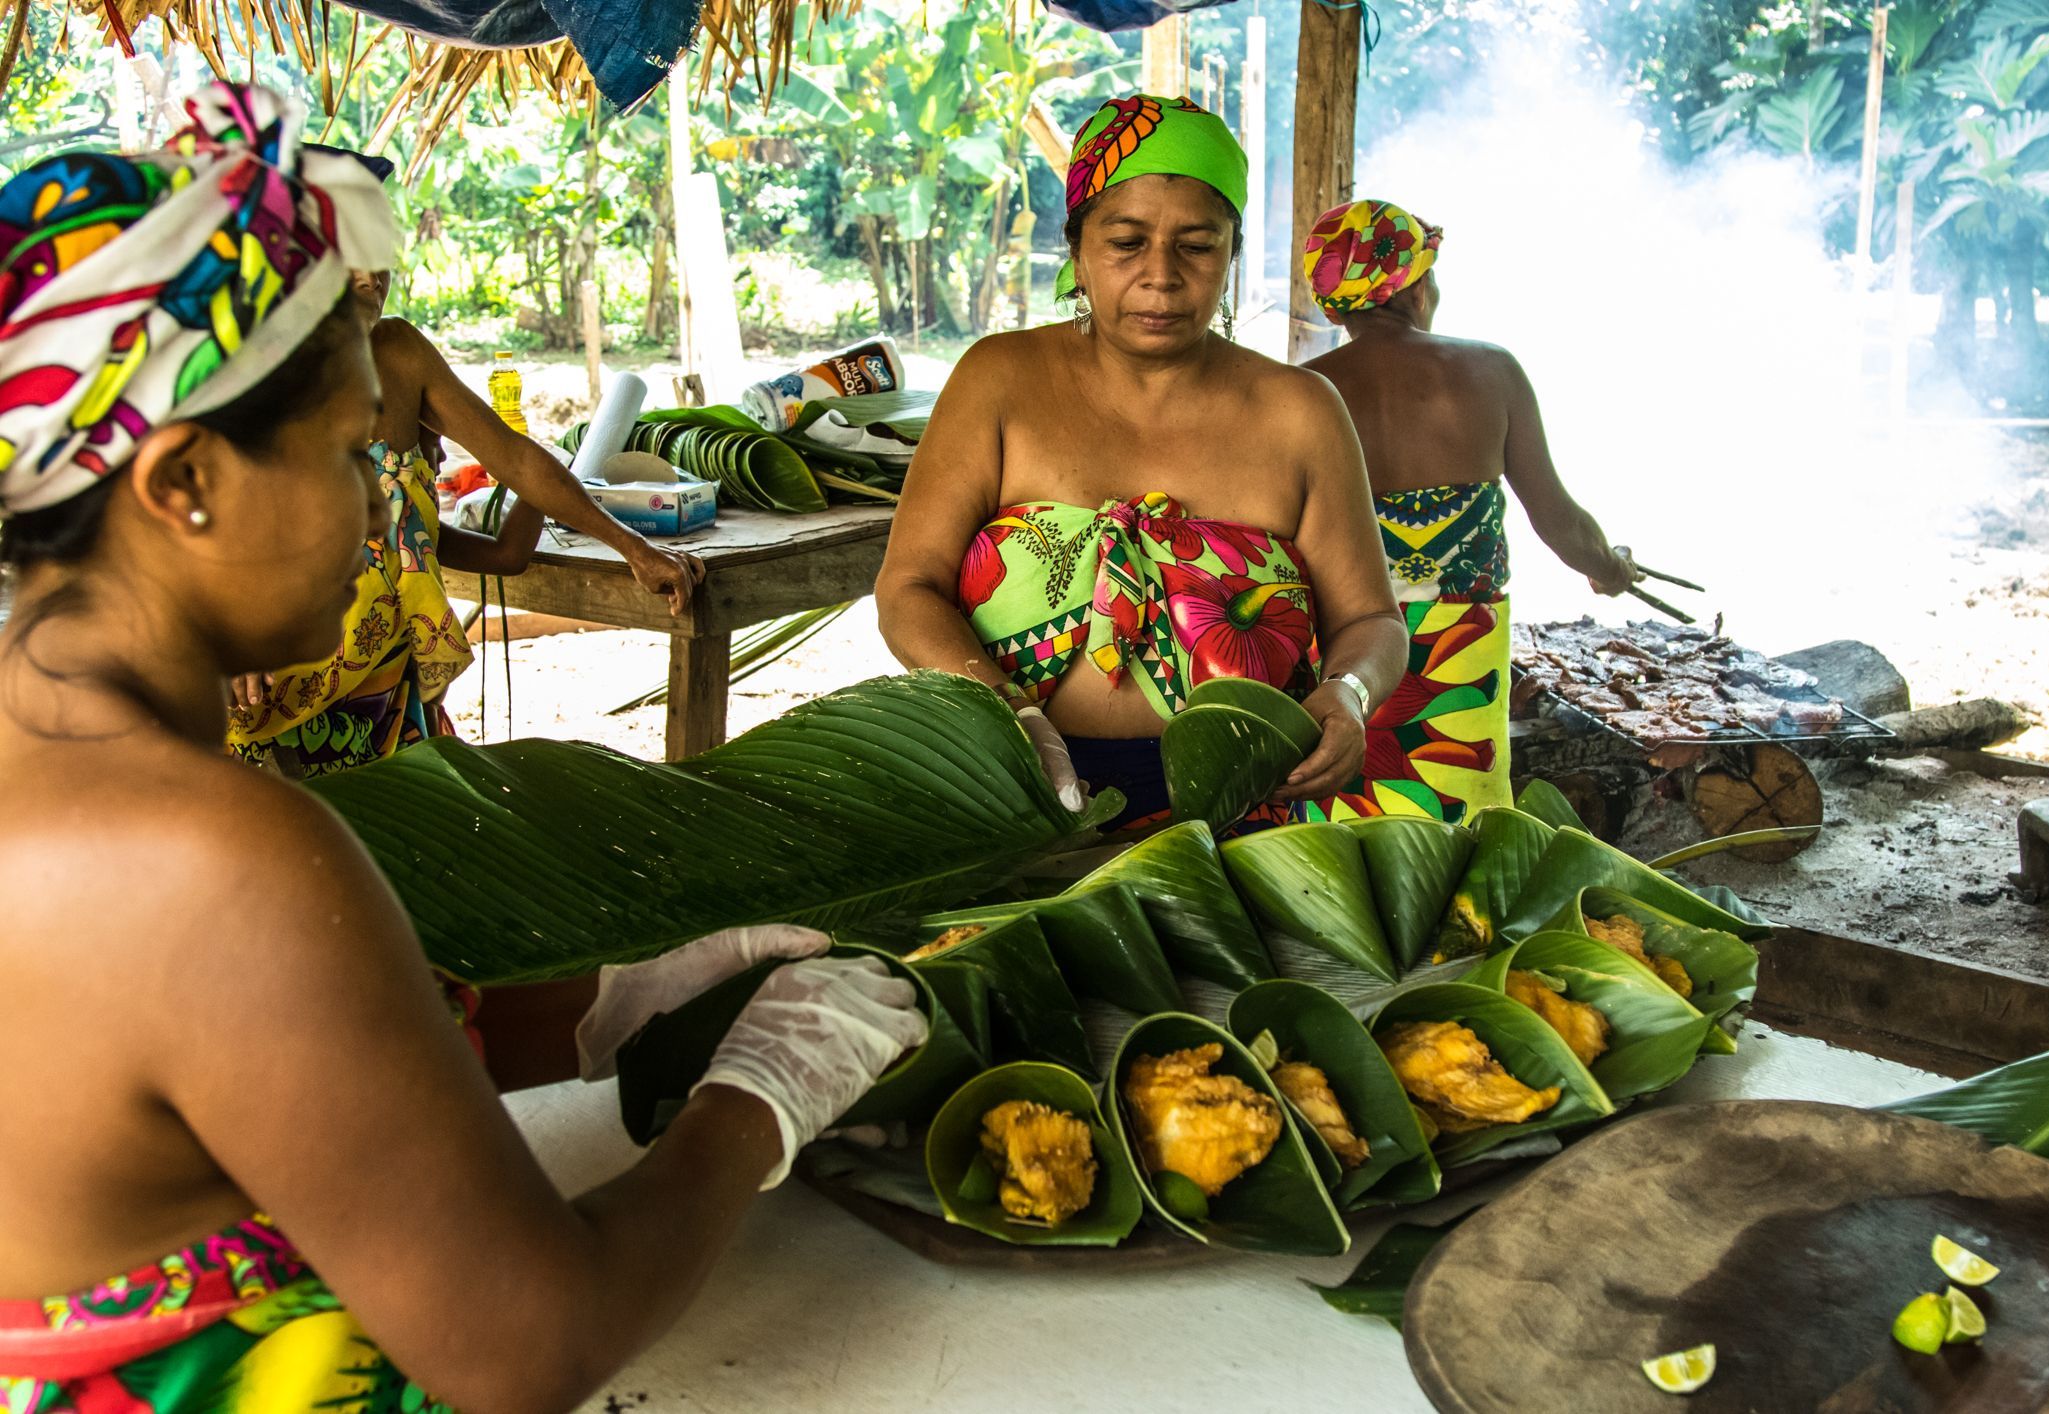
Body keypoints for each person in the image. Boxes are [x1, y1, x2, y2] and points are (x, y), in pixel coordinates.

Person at [0, 85, 924, 1411]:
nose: (379, 501)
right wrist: (761, 1097)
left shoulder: (54, 769)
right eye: (342, 452)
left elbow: (278, 1076)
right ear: (184, 483)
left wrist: (603, 1003)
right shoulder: (211, 851)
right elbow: (525, 1341)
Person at [876, 95, 1407, 829]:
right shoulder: (999, 380)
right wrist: (1012, 719)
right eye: (1126, 242)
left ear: (1231, 253)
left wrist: (1347, 692)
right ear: (1077, 250)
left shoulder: (1300, 411)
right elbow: (908, 588)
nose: (1160, 276)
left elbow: (1373, 620)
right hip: (1009, 788)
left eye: (1196, 245)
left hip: (1242, 798)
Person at [224, 151, 705, 776]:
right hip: (270, 685)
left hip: (383, 687)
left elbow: (515, 460)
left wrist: (632, 547)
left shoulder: (398, 353)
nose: (372, 276)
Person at [1295, 199, 1639, 824]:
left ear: (1332, 305)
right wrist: (1609, 568)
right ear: (1419, 286)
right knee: (1459, 823)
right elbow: (1559, 521)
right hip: (1462, 649)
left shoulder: (1303, 391)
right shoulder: (1490, 372)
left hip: (1342, 655)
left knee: (1340, 832)